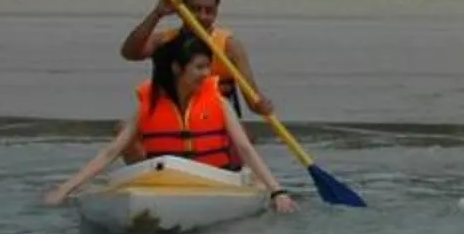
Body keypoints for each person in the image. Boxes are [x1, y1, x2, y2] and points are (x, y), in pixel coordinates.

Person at [46, 34, 295, 210]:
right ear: (178, 68)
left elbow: (244, 148)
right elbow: (111, 151)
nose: (207, 74)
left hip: (214, 181)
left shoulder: (218, 101)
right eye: (200, 67)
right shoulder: (151, 101)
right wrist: (64, 190)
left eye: (208, 67)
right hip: (165, 180)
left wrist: (277, 190)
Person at [119, 0, 275, 119]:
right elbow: (129, 53)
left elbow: (252, 98)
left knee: (248, 137)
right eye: (195, 9)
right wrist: (157, 14)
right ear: (181, 10)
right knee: (121, 130)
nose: (202, 16)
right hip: (172, 114)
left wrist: (262, 105)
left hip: (216, 117)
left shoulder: (229, 45)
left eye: (209, 11)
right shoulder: (165, 40)